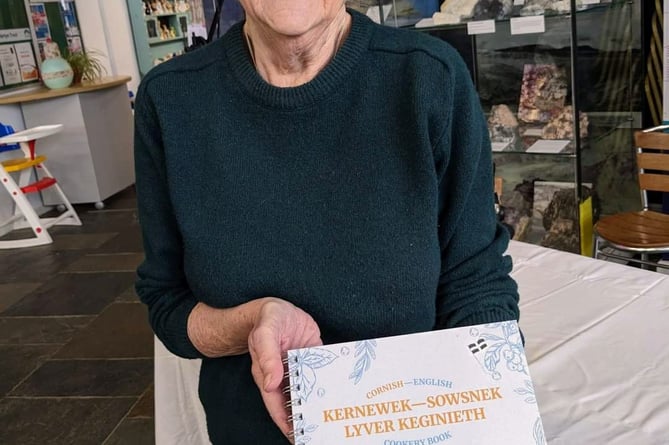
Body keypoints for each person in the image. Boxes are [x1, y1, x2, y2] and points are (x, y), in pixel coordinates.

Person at [133, 1, 520, 443]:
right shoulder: (172, 99)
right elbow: (167, 302)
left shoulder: (428, 78)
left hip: (417, 424)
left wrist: (498, 408)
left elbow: (475, 281)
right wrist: (253, 321)